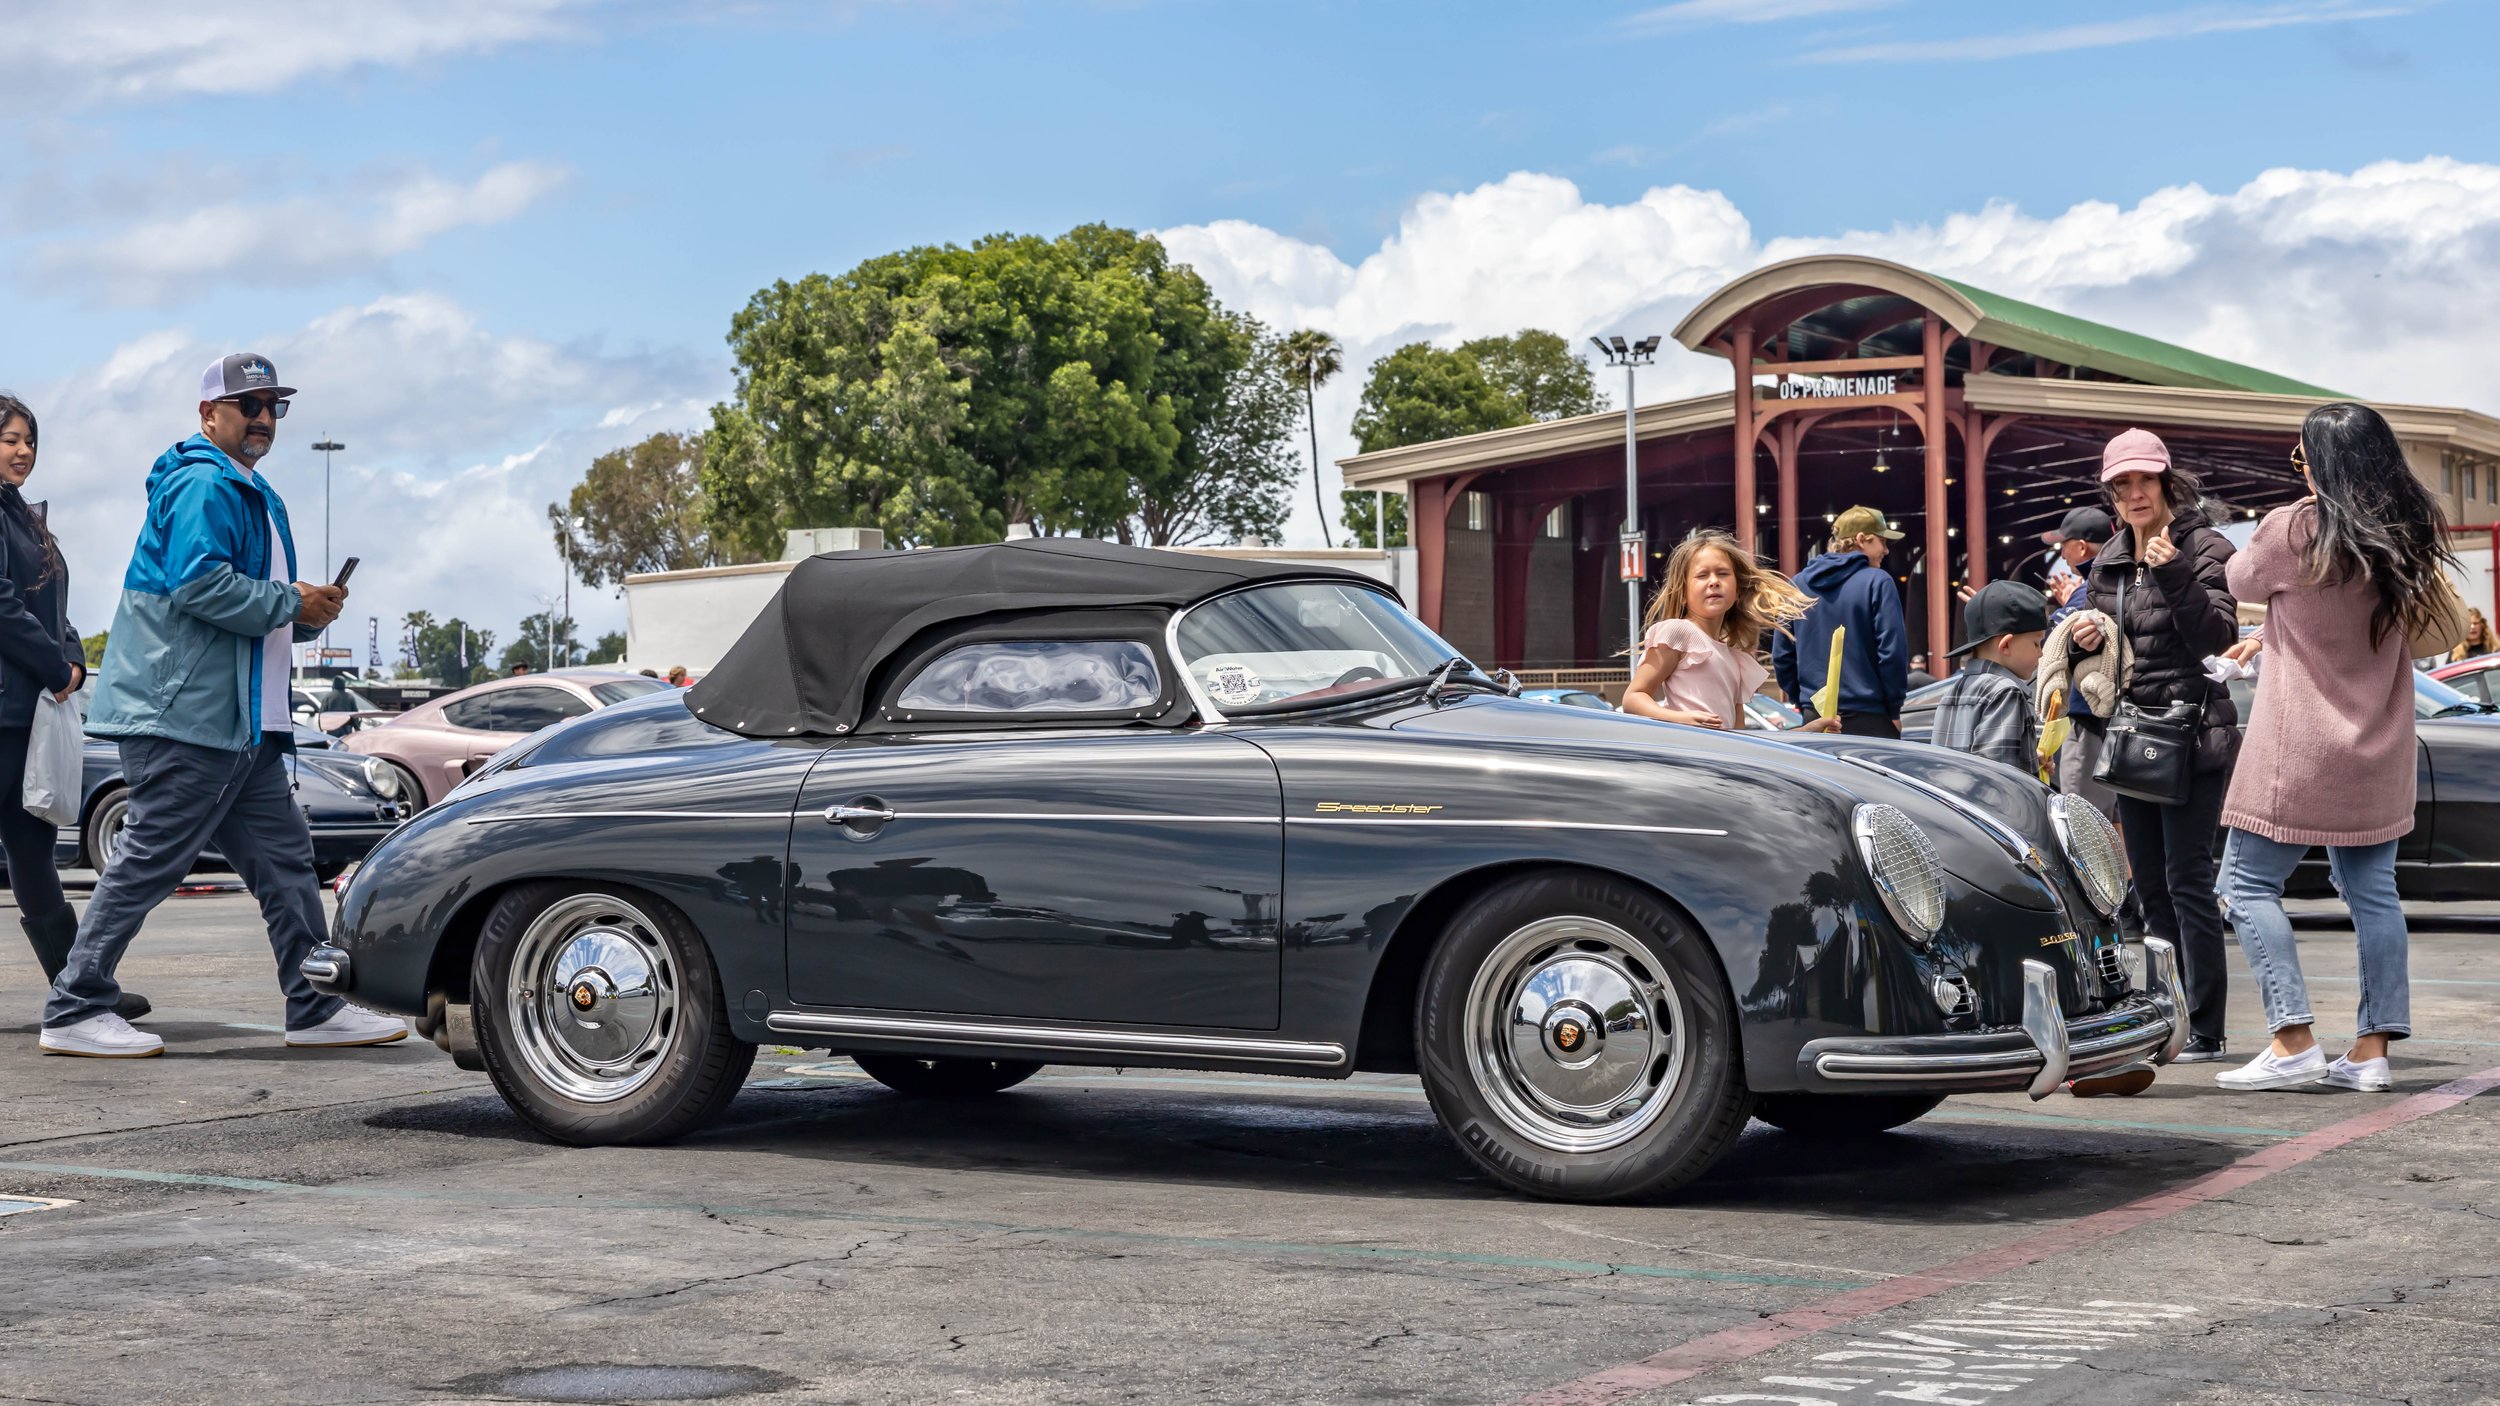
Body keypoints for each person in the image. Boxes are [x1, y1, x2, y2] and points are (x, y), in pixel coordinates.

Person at [40, 353, 405, 1057]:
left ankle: (314, 1007)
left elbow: (248, 607)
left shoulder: (251, 491)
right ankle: (74, 1008)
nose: (264, 417)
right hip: (187, 719)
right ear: (210, 414)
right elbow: (200, 587)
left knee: (287, 866)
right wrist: (289, 601)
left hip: (244, 723)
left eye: (274, 406)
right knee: (150, 861)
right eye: (250, 404)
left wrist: (305, 615)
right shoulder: (205, 484)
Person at [2213, 404, 2464, 1092]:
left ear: (2320, 465)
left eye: (2301, 460)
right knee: (2373, 895)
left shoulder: (2293, 526)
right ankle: (2371, 1052)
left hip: (2298, 749)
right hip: (2380, 746)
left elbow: (2239, 582)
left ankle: (2292, 1037)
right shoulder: (2405, 535)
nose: (2298, 471)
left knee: (2243, 885)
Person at [2068, 428, 2240, 1063]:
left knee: (2188, 879)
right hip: (2132, 733)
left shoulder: (2203, 546)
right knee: (2148, 888)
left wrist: (2171, 573)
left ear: (2167, 481)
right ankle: (2166, 1015)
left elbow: (2216, 639)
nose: (2133, 493)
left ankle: (2206, 1026)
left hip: (2193, 734)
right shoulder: (2109, 558)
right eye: (2121, 484)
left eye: (2143, 480)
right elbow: (2114, 645)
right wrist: (2087, 632)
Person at [0, 394, 136, 1018]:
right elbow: (2, 606)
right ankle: (81, 987)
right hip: (6, 707)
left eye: (30, 440)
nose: (23, 450)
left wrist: (74, 661)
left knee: (33, 853)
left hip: (23, 712)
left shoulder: (25, 518)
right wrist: (57, 667)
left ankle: (79, 987)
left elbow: (53, 605)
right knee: (30, 852)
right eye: (10, 439)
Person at [1624, 529, 1837, 734]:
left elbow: (1740, 740)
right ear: (1682, 593)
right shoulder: (1677, 632)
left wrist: (1805, 732)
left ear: (1737, 591)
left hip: (1719, 763)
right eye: (1702, 575)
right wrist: (1679, 719)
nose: (1714, 581)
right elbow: (1633, 698)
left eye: (1723, 574)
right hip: (1686, 759)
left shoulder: (1736, 657)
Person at [1774, 506, 1909, 737]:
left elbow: (1782, 655)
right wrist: (1893, 709)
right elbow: (1892, 652)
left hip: (1815, 717)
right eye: (1882, 541)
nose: (1886, 550)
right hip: (1870, 718)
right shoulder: (1878, 582)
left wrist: (1804, 700)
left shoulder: (1796, 585)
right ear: (1860, 540)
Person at [2039, 506, 2122, 821]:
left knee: (2079, 818)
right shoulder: (2122, 579)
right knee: (2115, 817)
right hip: (2120, 718)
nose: (2062, 555)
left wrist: (2070, 604)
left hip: (2090, 719)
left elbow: (2052, 650)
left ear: (2082, 546)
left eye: (2064, 545)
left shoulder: (2088, 590)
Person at [1927, 580, 2048, 774]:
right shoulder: (2006, 692)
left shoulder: (1954, 690)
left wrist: (2030, 757)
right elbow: (1997, 777)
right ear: (2006, 645)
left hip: (1952, 802)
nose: (2040, 653)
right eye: (2036, 643)